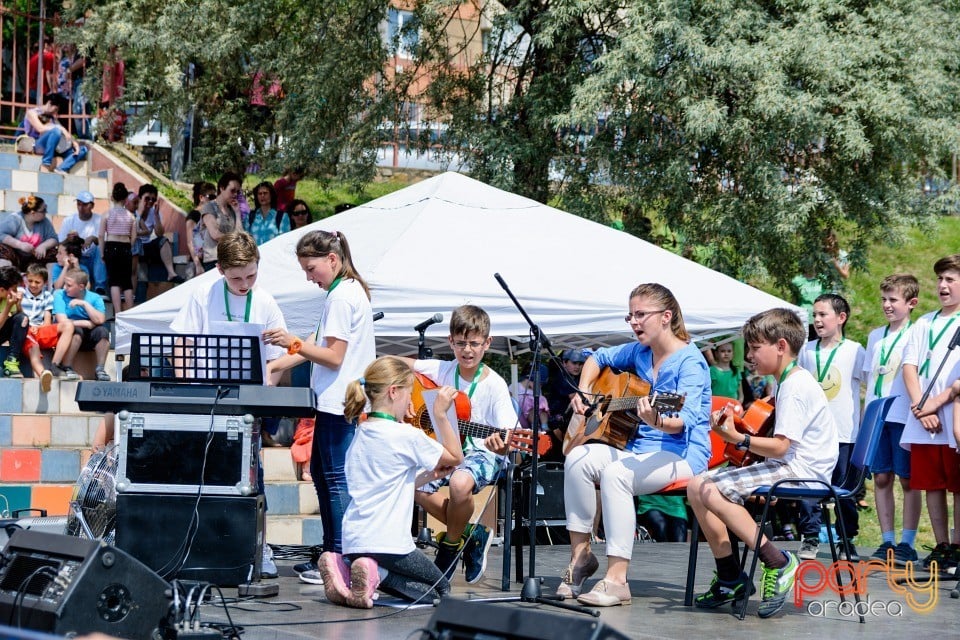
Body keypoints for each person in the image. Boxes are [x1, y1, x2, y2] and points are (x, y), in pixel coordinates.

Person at [558, 283, 711, 606]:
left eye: (641, 315)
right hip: (637, 448)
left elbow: (685, 419)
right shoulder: (639, 352)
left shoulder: (690, 363)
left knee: (616, 474)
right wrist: (586, 393)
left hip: (681, 453)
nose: (634, 322)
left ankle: (617, 580)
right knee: (578, 457)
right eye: (631, 316)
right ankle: (581, 557)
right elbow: (596, 357)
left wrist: (657, 420)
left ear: (666, 317)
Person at [687, 308, 837, 618]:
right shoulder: (787, 382)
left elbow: (781, 447)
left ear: (781, 346)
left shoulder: (794, 386)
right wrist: (739, 428)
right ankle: (730, 577)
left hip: (800, 472)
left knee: (710, 489)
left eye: (756, 348)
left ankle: (778, 561)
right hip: (794, 466)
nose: (751, 355)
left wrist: (735, 438)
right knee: (696, 486)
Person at [169, 231, 288, 578]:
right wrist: (186, 390)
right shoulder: (202, 294)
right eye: (236, 277)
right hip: (206, 398)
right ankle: (198, 545)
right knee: (202, 473)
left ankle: (259, 546)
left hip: (246, 402)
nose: (244, 283)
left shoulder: (265, 301)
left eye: (251, 275)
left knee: (254, 478)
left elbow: (276, 358)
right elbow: (183, 343)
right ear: (220, 269)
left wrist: (264, 393)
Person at [262, 230, 376, 582]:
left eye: (312, 269)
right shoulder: (341, 292)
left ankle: (338, 554)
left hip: (339, 402)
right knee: (326, 480)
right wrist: (275, 365)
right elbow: (316, 341)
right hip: (335, 402)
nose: (310, 278)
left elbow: (332, 355)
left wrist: (290, 341)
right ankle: (331, 552)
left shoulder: (342, 297)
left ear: (332, 260)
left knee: (334, 480)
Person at [319, 356, 463, 609]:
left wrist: (430, 475)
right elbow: (456, 456)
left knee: (392, 570)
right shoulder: (406, 435)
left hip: (354, 540)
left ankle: (347, 566)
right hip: (388, 543)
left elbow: (386, 482)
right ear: (394, 392)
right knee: (440, 590)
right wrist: (440, 414)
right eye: (409, 393)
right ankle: (377, 573)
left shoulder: (359, 434)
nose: (410, 401)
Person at [398, 305, 518, 585]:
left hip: (482, 451)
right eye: (461, 343)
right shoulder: (441, 369)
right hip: (448, 450)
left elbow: (510, 434)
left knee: (460, 483)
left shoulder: (495, 385)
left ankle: (450, 547)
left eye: (474, 343)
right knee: (409, 482)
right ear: (450, 341)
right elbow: (394, 362)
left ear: (487, 343)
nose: (467, 350)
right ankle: (470, 533)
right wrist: (403, 394)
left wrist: (502, 446)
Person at [896, 254, 960, 573]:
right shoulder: (924, 323)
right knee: (932, 484)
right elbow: (910, 366)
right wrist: (921, 405)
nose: (943, 286)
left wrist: (939, 402)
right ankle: (943, 546)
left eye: (950, 279)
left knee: (957, 484)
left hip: (953, 417)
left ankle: (959, 546)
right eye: (940, 279)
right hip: (924, 418)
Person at [795, 293, 865, 561]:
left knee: (844, 490)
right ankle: (810, 537)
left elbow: (869, 386)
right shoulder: (806, 349)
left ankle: (847, 539)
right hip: (811, 434)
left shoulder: (855, 350)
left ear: (841, 318)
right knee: (809, 487)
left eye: (823, 314)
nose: (817, 320)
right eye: (814, 315)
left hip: (844, 433)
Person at [862, 274, 921, 566]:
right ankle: (886, 540)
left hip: (903, 415)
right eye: (884, 299)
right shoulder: (875, 336)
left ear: (911, 303)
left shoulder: (916, 333)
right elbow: (871, 377)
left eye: (893, 300)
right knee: (882, 477)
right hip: (877, 416)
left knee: (908, 480)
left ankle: (907, 543)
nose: (887, 305)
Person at [19, 263, 74, 392]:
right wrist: (29, 327)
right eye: (30, 281)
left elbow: (47, 321)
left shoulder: (48, 296)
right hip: (24, 330)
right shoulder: (20, 293)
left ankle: (55, 364)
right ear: (26, 279)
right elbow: (17, 316)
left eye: (37, 282)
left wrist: (38, 328)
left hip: (39, 330)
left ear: (44, 283)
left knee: (68, 325)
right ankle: (43, 373)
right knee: (33, 343)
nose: (33, 285)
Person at [52, 268, 110, 381]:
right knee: (76, 330)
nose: (65, 288)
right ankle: (66, 367)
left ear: (81, 287)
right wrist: (87, 323)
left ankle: (100, 369)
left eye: (69, 285)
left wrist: (84, 304)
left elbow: (100, 320)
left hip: (88, 336)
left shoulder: (95, 298)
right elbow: (63, 321)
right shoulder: (59, 294)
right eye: (65, 284)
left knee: (102, 332)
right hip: (67, 335)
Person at [21, 93, 88, 173]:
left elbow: (65, 133)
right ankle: (46, 164)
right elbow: (40, 128)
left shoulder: (52, 118)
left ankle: (61, 168)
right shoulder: (32, 113)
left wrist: (74, 142)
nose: (55, 113)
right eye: (55, 109)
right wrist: (59, 128)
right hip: (37, 143)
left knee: (83, 149)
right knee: (56, 131)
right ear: (49, 103)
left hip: (55, 148)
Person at [132, 184, 182, 286]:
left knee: (163, 240)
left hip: (147, 246)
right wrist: (140, 214)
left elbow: (159, 233)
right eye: (147, 198)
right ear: (140, 198)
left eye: (153, 199)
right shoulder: (133, 211)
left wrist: (156, 215)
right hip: (135, 246)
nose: (150, 201)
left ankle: (171, 273)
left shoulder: (153, 212)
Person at [57, 191, 107, 293]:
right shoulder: (69, 220)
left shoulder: (99, 220)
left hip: (94, 259)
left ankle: (100, 287)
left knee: (100, 248)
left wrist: (94, 238)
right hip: (75, 257)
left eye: (84, 205)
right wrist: (69, 240)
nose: (81, 208)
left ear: (92, 206)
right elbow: (60, 244)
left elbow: (105, 242)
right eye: (79, 204)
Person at [544, 348, 587, 462]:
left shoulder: (575, 378)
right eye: (574, 363)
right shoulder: (562, 377)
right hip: (557, 425)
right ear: (564, 363)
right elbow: (576, 398)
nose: (577, 366)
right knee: (561, 458)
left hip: (569, 423)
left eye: (580, 363)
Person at [99, 183, 137, 312]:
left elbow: (100, 235)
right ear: (126, 199)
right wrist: (129, 247)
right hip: (125, 247)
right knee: (127, 282)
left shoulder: (107, 214)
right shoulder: (131, 216)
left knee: (114, 281)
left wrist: (102, 252)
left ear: (112, 198)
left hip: (111, 245)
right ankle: (130, 311)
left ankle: (118, 312)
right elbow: (134, 236)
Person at [200, 172, 244, 272]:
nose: (235, 194)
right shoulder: (209, 207)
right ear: (222, 188)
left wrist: (237, 213)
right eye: (232, 190)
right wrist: (234, 238)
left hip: (230, 259)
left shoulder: (232, 210)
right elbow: (215, 234)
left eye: (237, 192)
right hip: (213, 260)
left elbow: (240, 234)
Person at [0, 196, 58, 271]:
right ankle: (4, 279)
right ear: (33, 213)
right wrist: (20, 245)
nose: (45, 213)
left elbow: (54, 238)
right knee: (2, 250)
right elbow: (1, 234)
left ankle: (52, 281)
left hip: (35, 259)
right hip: (15, 258)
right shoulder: (15, 219)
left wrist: (43, 246)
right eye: (43, 210)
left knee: (52, 252)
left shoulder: (45, 222)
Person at [0, 265, 28, 378]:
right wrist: (8, 307)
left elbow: (20, 321)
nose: (16, 292)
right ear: (2, 290)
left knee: (23, 318)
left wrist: (18, 305)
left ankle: (11, 361)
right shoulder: (8, 301)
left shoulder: (8, 297)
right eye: (14, 289)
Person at [186, 182, 216, 277]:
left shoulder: (211, 213)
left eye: (215, 197)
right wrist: (198, 265)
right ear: (201, 197)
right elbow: (190, 242)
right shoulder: (194, 215)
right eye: (210, 197)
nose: (214, 200)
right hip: (198, 264)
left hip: (210, 259)